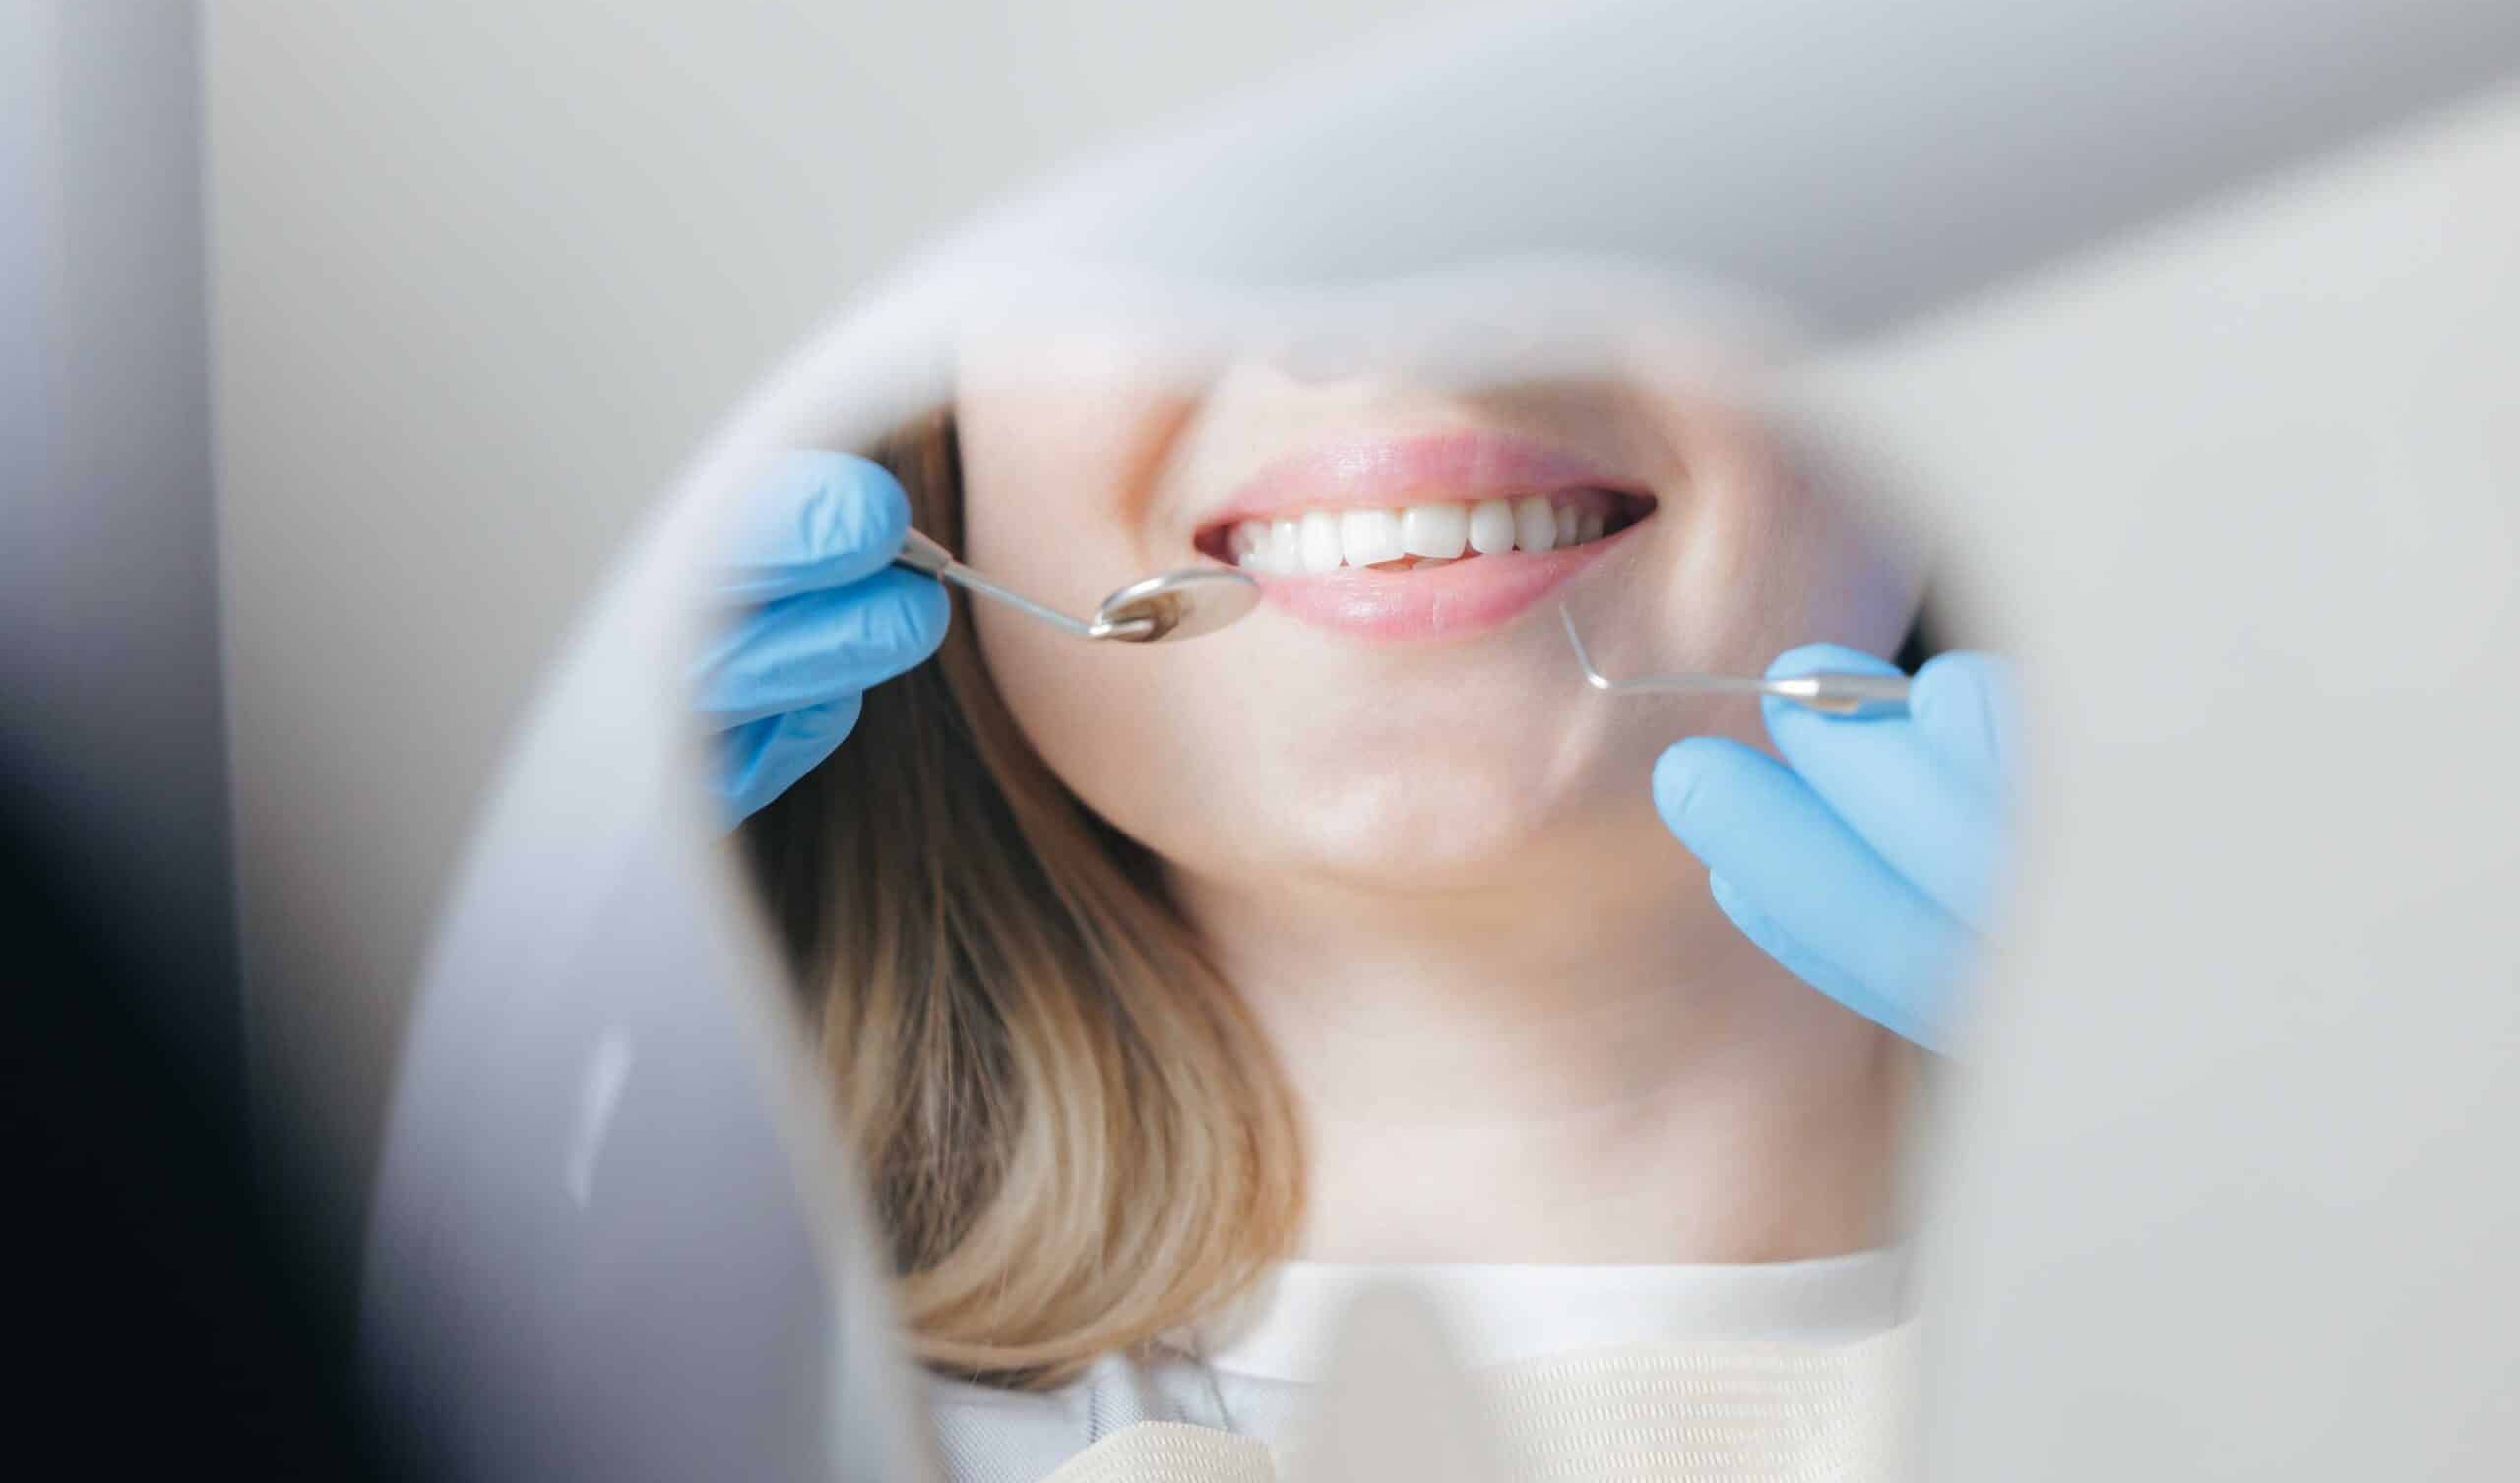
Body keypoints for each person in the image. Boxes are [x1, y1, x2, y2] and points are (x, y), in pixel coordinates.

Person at [697, 304, 2011, 1479]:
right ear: (929, 448)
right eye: (1187, 231)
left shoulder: (2206, 1287)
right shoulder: (653, 1416)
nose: (1391, 341)